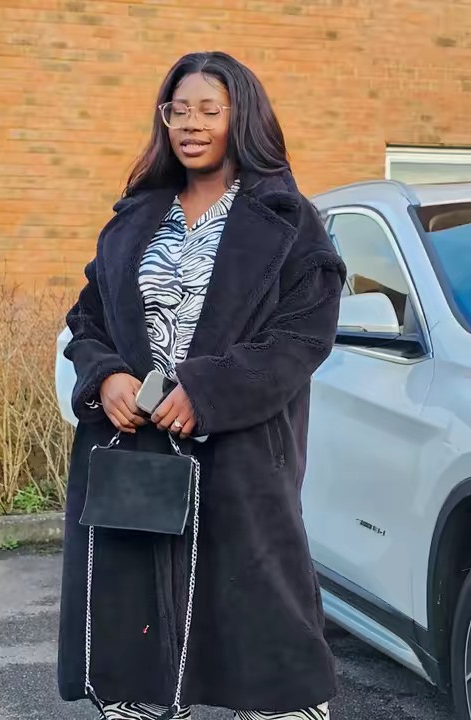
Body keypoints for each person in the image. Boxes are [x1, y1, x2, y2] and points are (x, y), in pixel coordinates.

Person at [58, 51, 346, 720]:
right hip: (134, 449)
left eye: (209, 110)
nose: (191, 125)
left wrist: (207, 389)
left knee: (260, 619)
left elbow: (304, 333)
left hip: (240, 452)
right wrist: (107, 376)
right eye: (178, 110)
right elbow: (87, 317)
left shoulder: (286, 219)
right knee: (137, 638)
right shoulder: (136, 217)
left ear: (240, 117)